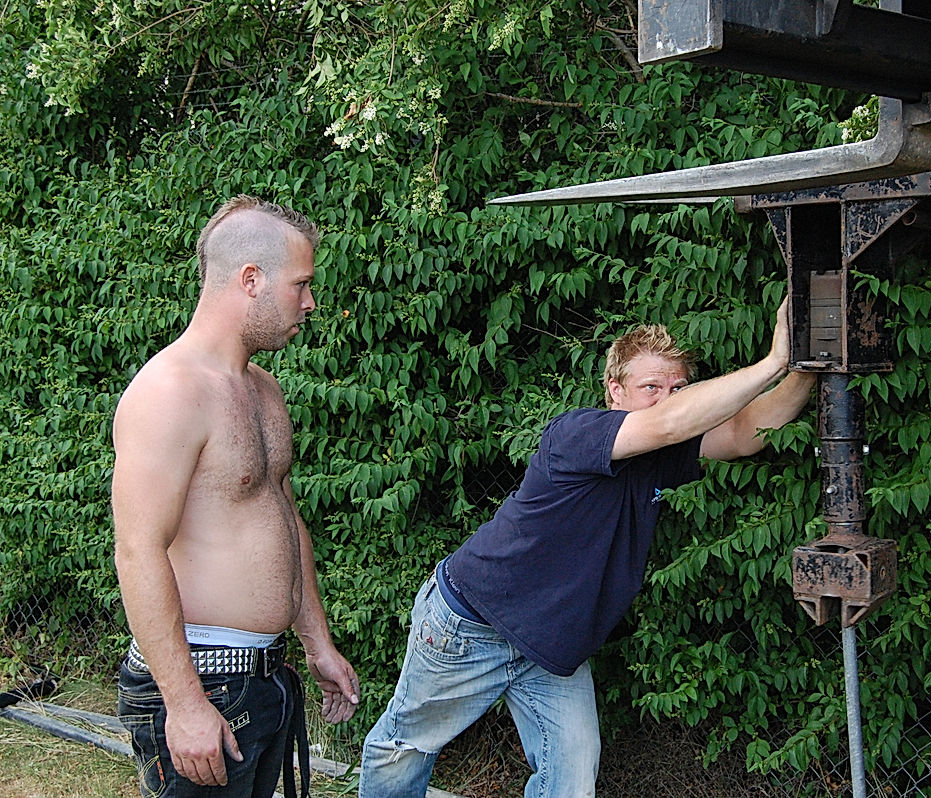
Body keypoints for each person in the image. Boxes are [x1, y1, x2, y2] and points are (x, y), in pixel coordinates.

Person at [358, 299, 814, 797]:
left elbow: (747, 433)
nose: (666, 399)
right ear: (614, 391)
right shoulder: (577, 434)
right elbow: (669, 423)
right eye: (650, 388)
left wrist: (808, 367)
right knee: (405, 748)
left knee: (571, 778)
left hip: (552, 646)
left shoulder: (660, 457)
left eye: (677, 388)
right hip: (472, 624)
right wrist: (773, 361)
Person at [111, 195, 360, 798]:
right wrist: (185, 704)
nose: (311, 302)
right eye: (301, 283)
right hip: (203, 685)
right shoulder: (169, 391)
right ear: (251, 279)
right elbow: (137, 550)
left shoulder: (264, 390)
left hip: (263, 678)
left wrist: (316, 642)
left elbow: (281, 514)